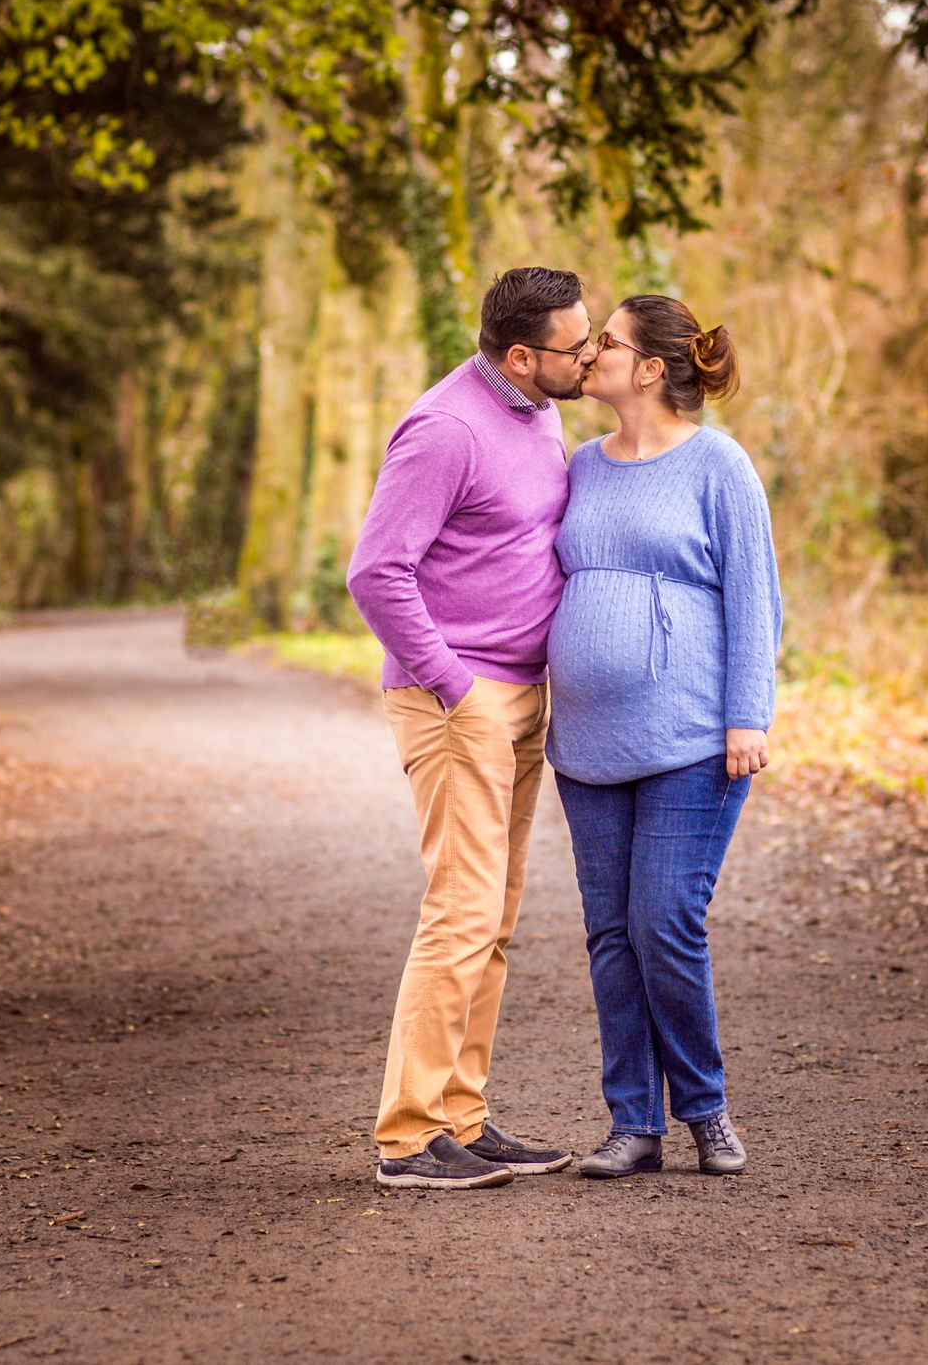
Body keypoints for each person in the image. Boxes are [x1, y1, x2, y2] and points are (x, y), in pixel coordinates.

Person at [345, 267, 599, 1191]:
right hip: (459, 700)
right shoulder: (445, 429)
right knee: (460, 911)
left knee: (493, 917)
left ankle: (462, 1114)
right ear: (522, 354)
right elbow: (376, 571)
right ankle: (408, 1140)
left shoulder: (539, 409)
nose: (592, 353)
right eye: (577, 345)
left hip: (521, 694)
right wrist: (457, 687)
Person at [545, 295, 781, 1180]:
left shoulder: (720, 466)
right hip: (589, 744)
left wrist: (748, 714)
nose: (589, 350)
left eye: (605, 338)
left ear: (649, 368)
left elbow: (756, 597)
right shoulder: (581, 466)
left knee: (664, 919)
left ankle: (707, 1110)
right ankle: (632, 1123)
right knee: (610, 932)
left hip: (691, 740)